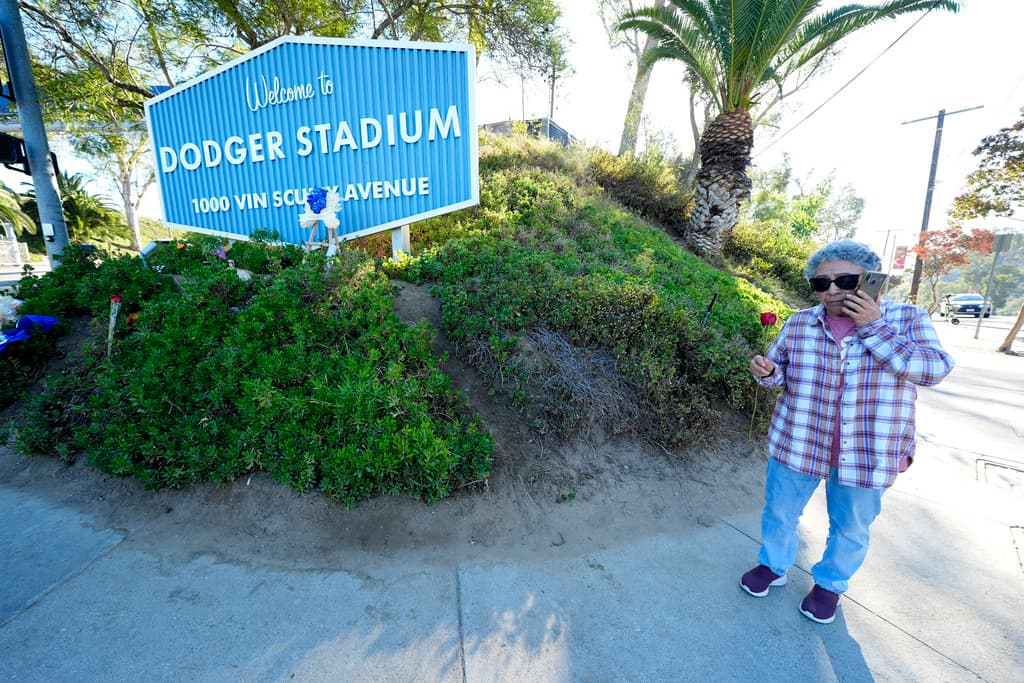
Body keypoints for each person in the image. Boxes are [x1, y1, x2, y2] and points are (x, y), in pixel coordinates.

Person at [740, 239, 955, 624]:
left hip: (868, 451)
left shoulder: (907, 319)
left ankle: (829, 585)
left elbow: (934, 369)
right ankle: (773, 566)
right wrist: (769, 374)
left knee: (851, 525)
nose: (832, 291)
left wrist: (873, 328)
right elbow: (780, 374)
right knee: (780, 510)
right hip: (800, 438)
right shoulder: (800, 322)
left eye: (844, 280)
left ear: (869, 279)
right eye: (821, 284)